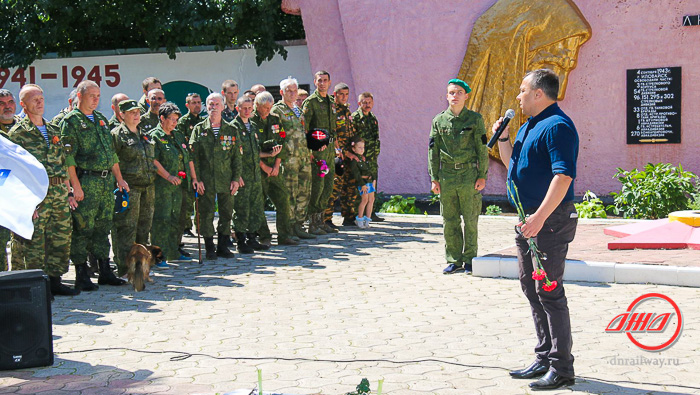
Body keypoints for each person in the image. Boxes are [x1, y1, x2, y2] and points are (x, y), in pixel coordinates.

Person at [496, 69, 578, 390]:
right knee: (531, 288)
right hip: (528, 219)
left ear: (539, 93)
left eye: (523, 90)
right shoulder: (531, 125)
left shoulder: (558, 127)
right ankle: (544, 356)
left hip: (550, 222)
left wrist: (540, 217)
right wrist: (504, 137)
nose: (519, 96)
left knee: (550, 291)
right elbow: (512, 165)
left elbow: (563, 177)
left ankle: (562, 368)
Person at [7, 84, 79, 296]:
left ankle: (55, 281)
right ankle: (35, 287)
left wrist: (69, 191)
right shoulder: (18, 134)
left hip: (58, 192)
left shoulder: (53, 130)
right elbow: (13, 171)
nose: (39, 102)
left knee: (61, 238)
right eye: (34, 99)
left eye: (41, 97)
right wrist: (25, 203)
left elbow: (62, 162)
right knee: (35, 242)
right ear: (23, 105)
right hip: (35, 196)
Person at [60, 80, 129, 291]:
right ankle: (81, 272)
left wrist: (119, 178)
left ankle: (105, 270)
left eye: (98, 96)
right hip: (87, 181)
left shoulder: (100, 120)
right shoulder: (71, 121)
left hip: (106, 182)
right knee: (83, 228)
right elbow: (68, 158)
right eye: (92, 95)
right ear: (79, 96)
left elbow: (111, 153)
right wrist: (75, 186)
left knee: (103, 226)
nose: (96, 99)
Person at [428, 79, 488, 275]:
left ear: (466, 96)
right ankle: (454, 260)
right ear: (446, 96)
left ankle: (470, 259)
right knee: (450, 220)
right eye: (452, 93)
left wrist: (482, 175)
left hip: (468, 175)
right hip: (446, 177)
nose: (455, 96)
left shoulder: (475, 119)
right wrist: (434, 178)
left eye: (459, 92)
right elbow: (433, 151)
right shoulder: (438, 121)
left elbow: (482, 149)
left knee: (471, 219)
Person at [189, 93, 241, 259]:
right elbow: (193, 157)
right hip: (206, 180)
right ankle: (209, 247)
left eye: (217, 104)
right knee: (206, 213)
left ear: (223, 106)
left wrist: (236, 178)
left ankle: (223, 246)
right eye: (210, 104)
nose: (213, 107)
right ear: (206, 106)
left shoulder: (231, 130)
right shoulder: (199, 129)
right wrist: (196, 179)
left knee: (226, 213)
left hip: (226, 179)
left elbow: (237, 157)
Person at [110, 99, 157, 275]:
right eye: (131, 112)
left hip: (147, 187)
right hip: (130, 189)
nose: (136, 115)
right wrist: (119, 180)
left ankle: (140, 265)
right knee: (126, 228)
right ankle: (124, 266)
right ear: (122, 115)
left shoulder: (144, 134)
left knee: (144, 228)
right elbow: (113, 160)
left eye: (137, 112)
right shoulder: (117, 135)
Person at [150, 102, 199, 264]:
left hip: (181, 186)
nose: (174, 123)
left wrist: (194, 179)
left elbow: (189, 158)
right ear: (162, 118)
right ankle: (158, 255)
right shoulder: (155, 136)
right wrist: (168, 176)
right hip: (163, 186)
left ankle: (173, 251)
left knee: (177, 219)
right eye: (171, 119)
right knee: (162, 219)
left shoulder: (177, 135)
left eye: (176, 119)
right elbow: (153, 161)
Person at [271, 77, 315, 240]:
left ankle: (298, 225)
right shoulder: (277, 110)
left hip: (303, 158)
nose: (292, 93)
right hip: (288, 160)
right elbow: (276, 136)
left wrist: (309, 152)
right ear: (282, 92)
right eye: (288, 90)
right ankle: (287, 228)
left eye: (294, 90)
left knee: (304, 192)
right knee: (289, 194)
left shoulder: (298, 110)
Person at [252, 91, 297, 246]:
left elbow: (282, 142)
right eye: (264, 107)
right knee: (259, 203)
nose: (267, 110)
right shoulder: (251, 122)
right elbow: (250, 150)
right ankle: (264, 235)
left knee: (283, 199)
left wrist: (277, 165)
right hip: (259, 169)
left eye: (270, 107)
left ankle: (284, 235)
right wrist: (264, 166)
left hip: (275, 168)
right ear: (257, 106)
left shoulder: (275, 120)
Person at [231, 96, 267, 253]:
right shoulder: (233, 127)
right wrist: (236, 176)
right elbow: (231, 155)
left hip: (254, 174)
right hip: (242, 175)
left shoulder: (252, 126)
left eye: (249, 108)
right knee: (241, 208)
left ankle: (252, 238)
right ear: (238, 108)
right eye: (244, 108)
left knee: (256, 207)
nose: (247, 111)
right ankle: (240, 240)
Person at [302, 70, 337, 235]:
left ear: (329, 83)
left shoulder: (331, 101)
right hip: (318, 151)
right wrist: (311, 149)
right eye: (319, 80)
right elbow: (305, 128)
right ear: (315, 82)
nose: (322, 83)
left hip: (330, 150)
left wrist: (336, 147)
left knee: (328, 185)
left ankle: (321, 220)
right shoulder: (310, 102)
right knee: (318, 185)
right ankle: (313, 222)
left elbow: (333, 128)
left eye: (325, 80)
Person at [175, 93, 207, 245]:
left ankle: (200, 226)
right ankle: (186, 226)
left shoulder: (204, 121)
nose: (197, 105)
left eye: (199, 102)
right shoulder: (182, 122)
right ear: (187, 105)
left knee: (202, 198)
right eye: (193, 103)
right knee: (188, 198)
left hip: (203, 163)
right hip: (188, 163)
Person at [325, 83, 358, 228]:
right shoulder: (333, 111)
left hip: (350, 155)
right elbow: (333, 135)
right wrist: (345, 152)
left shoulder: (347, 111)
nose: (344, 97)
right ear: (335, 94)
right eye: (341, 94)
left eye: (346, 94)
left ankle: (349, 216)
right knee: (334, 188)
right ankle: (326, 218)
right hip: (338, 155)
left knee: (350, 186)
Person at [351, 92, 383, 222]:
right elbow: (351, 138)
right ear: (359, 103)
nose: (367, 105)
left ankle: (371, 212)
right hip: (359, 158)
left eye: (369, 102)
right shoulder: (355, 118)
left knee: (372, 184)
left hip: (371, 158)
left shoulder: (373, 118)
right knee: (360, 185)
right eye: (364, 102)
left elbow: (376, 138)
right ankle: (357, 214)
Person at [346, 136, 375, 228]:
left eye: (363, 147)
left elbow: (369, 170)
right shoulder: (355, 161)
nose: (362, 149)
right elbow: (356, 174)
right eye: (359, 147)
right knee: (364, 200)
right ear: (354, 149)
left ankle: (367, 221)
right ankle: (360, 219)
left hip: (369, 182)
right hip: (363, 183)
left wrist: (373, 180)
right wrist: (362, 184)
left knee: (371, 200)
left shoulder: (363, 159)